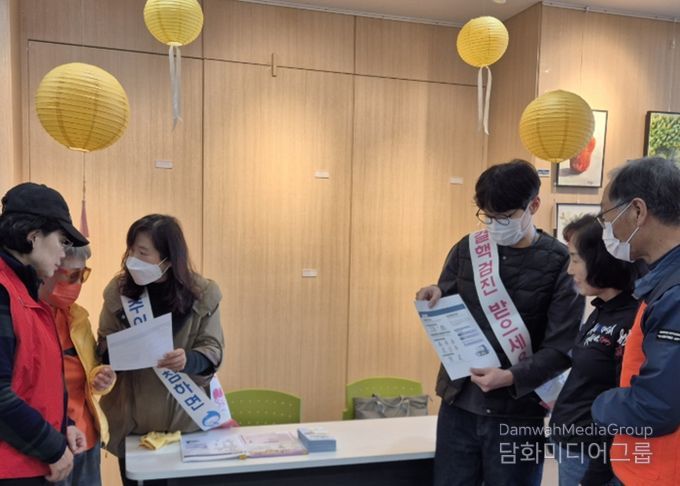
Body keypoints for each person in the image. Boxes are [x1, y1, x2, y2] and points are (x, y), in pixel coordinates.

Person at [416, 159, 583, 486]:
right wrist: (434, 294)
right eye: (487, 216)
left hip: (517, 413)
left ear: (534, 205)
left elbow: (562, 347)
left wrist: (510, 377)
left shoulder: (561, 262)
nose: (494, 225)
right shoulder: (468, 249)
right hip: (459, 403)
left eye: (504, 217)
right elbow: (447, 304)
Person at [97, 214, 224, 486]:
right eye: (131, 250)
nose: (133, 259)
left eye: (143, 253)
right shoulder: (119, 292)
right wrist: (119, 356)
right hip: (133, 426)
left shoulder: (203, 293)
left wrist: (188, 360)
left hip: (186, 425)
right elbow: (104, 345)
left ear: (169, 258)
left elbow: (212, 347)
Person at [591, 157, 680, 486]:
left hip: (661, 471)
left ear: (638, 211)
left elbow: (655, 406)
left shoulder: (674, 294)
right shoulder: (664, 280)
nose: (607, 230)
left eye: (607, 217)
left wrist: (599, 404)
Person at [0, 182, 89, 485]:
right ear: (34, 237)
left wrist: (63, 425)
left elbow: (33, 381)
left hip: (31, 463)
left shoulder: (26, 291)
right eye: (62, 241)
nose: (64, 253)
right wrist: (52, 446)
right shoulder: (4, 292)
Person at [549, 215, 640, 486]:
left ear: (601, 259)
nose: (569, 270)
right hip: (572, 445)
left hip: (593, 456)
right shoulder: (601, 309)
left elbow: (624, 404)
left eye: (575, 259)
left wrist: (596, 474)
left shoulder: (631, 319)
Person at [39, 245, 116, 486]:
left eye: (83, 275)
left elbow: (91, 372)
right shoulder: (26, 315)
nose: (78, 284)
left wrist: (101, 378)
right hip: (49, 442)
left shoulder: (78, 317)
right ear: (48, 269)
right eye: (72, 275)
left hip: (87, 438)